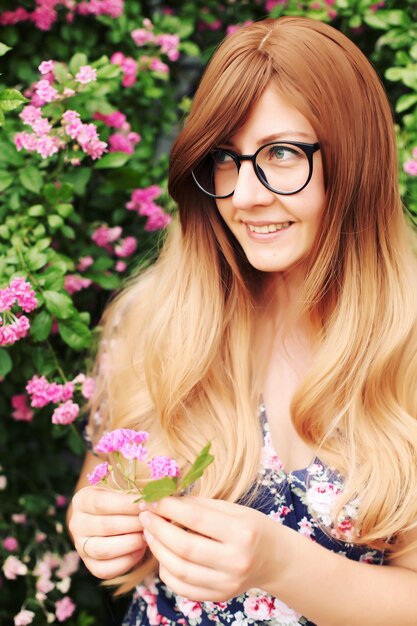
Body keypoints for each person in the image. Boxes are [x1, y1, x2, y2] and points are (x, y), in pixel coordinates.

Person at [67, 16, 417, 626]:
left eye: (282, 154)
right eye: (226, 158)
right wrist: (96, 525)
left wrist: (283, 566)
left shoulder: (406, 345)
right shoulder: (152, 318)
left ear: (354, 162)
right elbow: (101, 480)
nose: (245, 194)